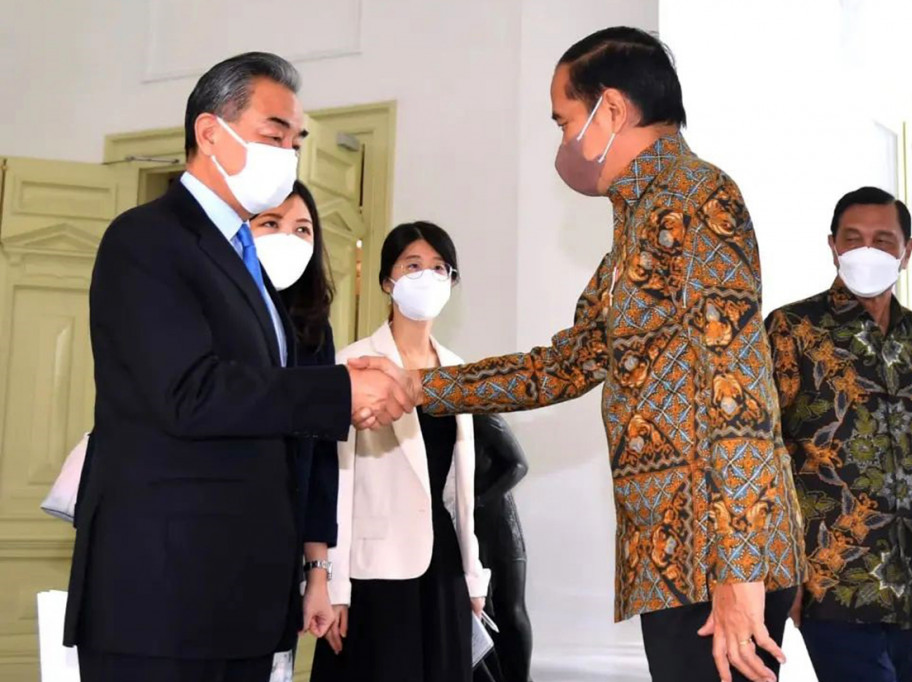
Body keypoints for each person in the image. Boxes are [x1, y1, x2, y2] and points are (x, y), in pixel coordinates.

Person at [354, 27, 804, 682]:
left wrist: (739, 572)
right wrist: (423, 384)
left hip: (715, 548)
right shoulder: (633, 230)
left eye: (566, 119)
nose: (565, 138)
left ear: (612, 110)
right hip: (674, 551)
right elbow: (564, 365)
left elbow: (737, 386)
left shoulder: (700, 200)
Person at [65, 52, 412, 682]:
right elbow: (188, 393)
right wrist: (338, 391)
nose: (289, 152)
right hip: (162, 598)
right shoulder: (147, 239)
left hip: (240, 598)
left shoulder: (248, 266)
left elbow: (268, 410)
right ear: (209, 133)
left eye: (296, 140)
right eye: (274, 134)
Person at [765, 187, 912, 682]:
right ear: (833, 246)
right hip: (829, 575)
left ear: (907, 252)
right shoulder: (793, 330)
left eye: (883, 240)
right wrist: (780, 569)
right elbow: (763, 452)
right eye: (854, 238)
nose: (868, 251)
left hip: (908, 579)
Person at [312, 222, 490, 682]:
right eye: (413, 266)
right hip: (375, 570)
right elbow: (338, 480)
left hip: (444, 566)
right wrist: (333, 584)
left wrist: (473, 578)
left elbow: (460, 488)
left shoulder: (456, 370)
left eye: (438, 268)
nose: (426, 276)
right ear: (388, 281)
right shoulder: (354, 363)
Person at [251, 180, 342, 655]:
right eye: (271, 223)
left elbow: (320, 458)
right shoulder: (213, 312)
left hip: (280, 548)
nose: (288, 238)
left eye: (303, 229)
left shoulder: (313, 331)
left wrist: (318, 576)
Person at [471, 414, 533, 682]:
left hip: (501, 527)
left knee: (511, 608)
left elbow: (519, 465)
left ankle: (520, 676)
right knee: (487, 609)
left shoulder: (483, 416)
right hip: (474, 527)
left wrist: (479, 499)